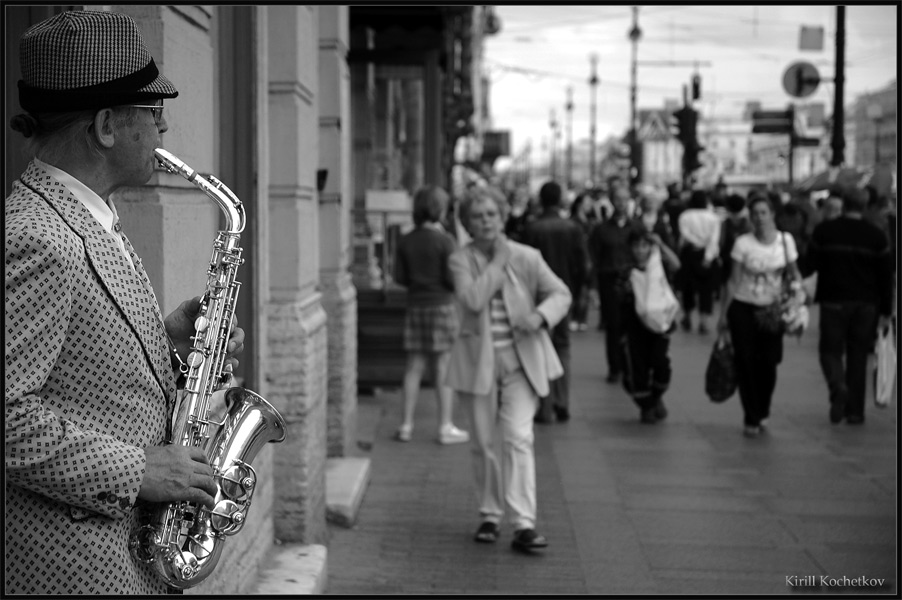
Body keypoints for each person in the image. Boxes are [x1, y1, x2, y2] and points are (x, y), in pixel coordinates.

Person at [5, 11, 246, 594]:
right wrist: (141, 470)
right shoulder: (36, 237)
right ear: (108, 125)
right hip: (75, 565)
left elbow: (72, 366)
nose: (164, 130)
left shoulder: (87, 216)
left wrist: (166, 338)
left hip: (118, 554)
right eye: (153, 113)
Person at [446, 185, 571, 552]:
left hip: (521, 361)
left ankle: (523, 523)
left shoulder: (527, 256)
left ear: (502, 217)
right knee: (484, 443)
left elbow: (561, 293)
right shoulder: (460, 260)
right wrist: (498, 264)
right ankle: (489, 513)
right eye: (476, 216)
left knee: (518, 436)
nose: (485, 221)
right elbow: (471, 299)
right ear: (467, 223)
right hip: (477, 361)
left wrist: (540, 316)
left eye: (491, 214)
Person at [802, 187, 893, 425]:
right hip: (866, 304)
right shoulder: (876, 235)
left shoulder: (825, 231)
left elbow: (808, 265)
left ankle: (837, 384)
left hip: (833, 301)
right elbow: (886, 277)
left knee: (830, 351)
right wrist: (886, 311)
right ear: (864, 206)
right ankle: (855, 411)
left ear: (843, 204)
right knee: (858, 355)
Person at [717, 194, 802, 438]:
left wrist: (798, 298)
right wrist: (723, 314)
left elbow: (794, 272)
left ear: (772, 214)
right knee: (745, 362)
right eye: (754, 214)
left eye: (764, 213)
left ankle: (763, 408)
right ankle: (751, 416)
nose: (759, 218)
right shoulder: (742, 243)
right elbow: (732, 280)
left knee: (769, 363)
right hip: (743, 307)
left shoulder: (786, 241)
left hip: (773, 310)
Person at [393, 186, 469, 444]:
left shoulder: (406, 239)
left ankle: (406, 425)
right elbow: (454, 278)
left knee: (413, 367)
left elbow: (399, 277)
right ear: (440, 210)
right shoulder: (445, 241)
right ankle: (445, 426)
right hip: (442, 306)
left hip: (416, 306)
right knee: (443, 368)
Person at [521, 181, 588, 423]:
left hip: (537, 296)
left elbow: (524, 265)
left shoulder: (532, 228)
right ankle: (563, 401)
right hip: (564, 292)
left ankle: (545, 403)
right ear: (560, 200)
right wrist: (580, 291)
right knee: (563, 347)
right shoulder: (573, 228)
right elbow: (582, 263)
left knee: (541, 348)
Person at [616, 228, 681, 423]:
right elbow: (619, 298)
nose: (640, 250)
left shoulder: (658, 267)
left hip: (660, 326)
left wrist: (661, 245)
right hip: (635, 328)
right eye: (636, 246)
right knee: (637, 367)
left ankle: (656, 396)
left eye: (644, 245)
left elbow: (677, 265)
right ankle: (647, 406)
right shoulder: (627, 272)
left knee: (660, 362)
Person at [588, 180, 639, 382]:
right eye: (618, 199)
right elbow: (593, 258)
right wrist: (592, 287)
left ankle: (631, 365)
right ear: (611, 201)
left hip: (633, 281)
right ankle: (615, 366)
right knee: (613, 325)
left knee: (632, 325)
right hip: (609, 281)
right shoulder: (601, 230)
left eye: (625, 199)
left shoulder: (636, 227)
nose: (621, 203)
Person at [677, 189, 721, 334]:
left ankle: (687, 316)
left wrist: (696, 243)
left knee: (688, 288)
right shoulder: (713, 218)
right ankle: (704, 320)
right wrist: (708, 257)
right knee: (706, 290)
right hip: (707, 253)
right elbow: (714, 239)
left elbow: (685, 235)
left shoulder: (684, 216)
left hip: (689, 254)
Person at [568, 192, 599, 331]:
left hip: (588, 257)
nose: (589, 206)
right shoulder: (573, 221)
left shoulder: (590, 222)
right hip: (576, 258)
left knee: (585, 289)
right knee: (577, 288)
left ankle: (581, 317)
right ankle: (575, 316)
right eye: (586, 203)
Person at [718, 193, 752, 288]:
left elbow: (721, 242)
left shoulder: (725, 223)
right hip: (746, 259)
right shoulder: (748, 223)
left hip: (728, 259)